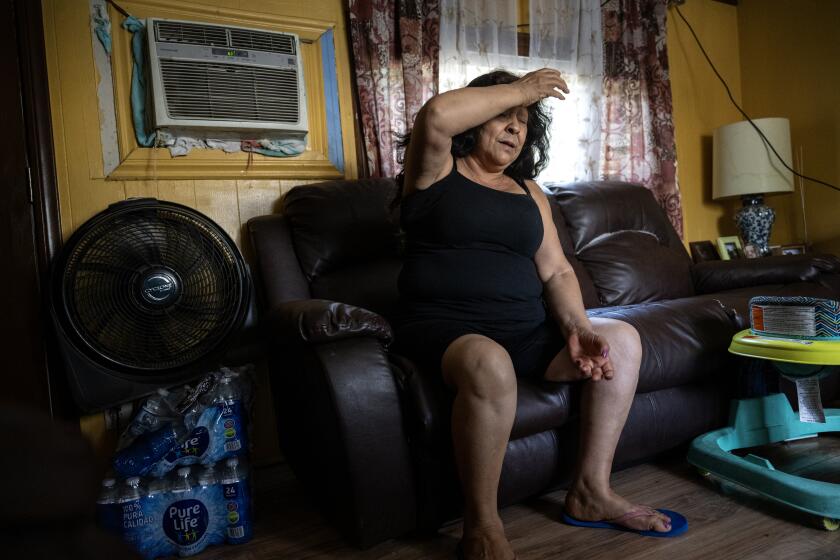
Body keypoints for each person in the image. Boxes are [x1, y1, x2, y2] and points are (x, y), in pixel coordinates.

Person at [392, 69, 677, 560]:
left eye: (524, 120)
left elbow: (557, 273)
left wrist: (578, 330)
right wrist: (525, 89)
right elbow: (435, 116)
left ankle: (591, 491)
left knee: (622, 340)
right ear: (475, 116)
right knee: (489, 361)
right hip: (447, 329)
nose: (515, 127)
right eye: (502, 115)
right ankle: (481, 524)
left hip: (526, 332)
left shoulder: (528, 191)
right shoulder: (433, 173)